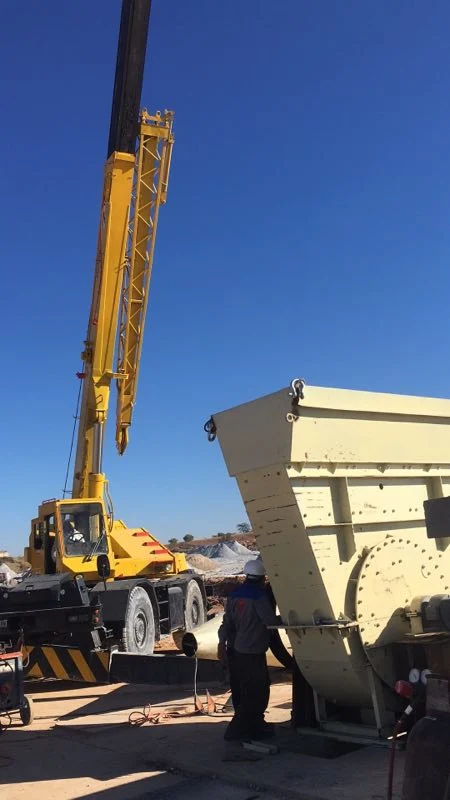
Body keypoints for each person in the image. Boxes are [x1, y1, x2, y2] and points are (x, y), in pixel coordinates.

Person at [217, 558, 280, 741]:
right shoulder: (259, 597)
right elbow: (269, 621)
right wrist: (286, 621)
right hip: (252, 652)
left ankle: (248, 727)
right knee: (258, 691)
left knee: (241, 689)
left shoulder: (235, 595)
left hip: (235, 651)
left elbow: (226, 622)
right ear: (262, 578)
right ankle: (241, 730)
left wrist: (221, 643)